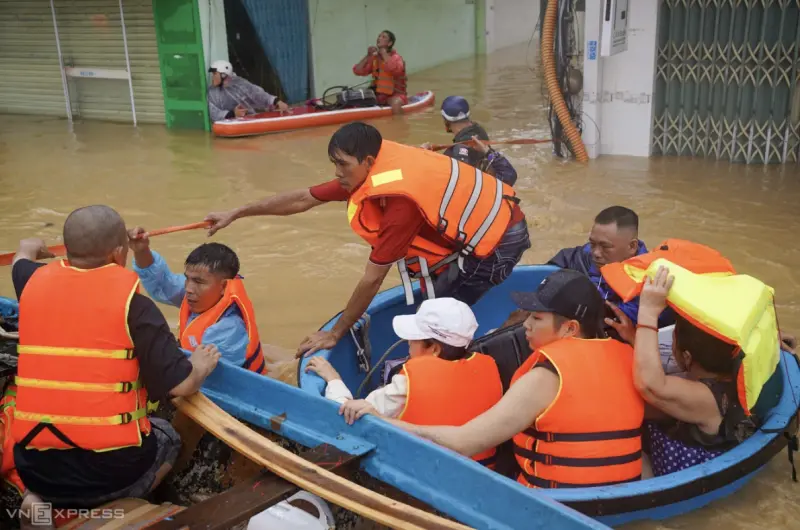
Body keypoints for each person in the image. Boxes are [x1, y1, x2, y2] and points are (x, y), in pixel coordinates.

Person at [205, 122, 530, 357]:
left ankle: (470, 356)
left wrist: (336, 333)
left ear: (369, 162)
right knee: (434, 301)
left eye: (342, 165)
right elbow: (303, 198)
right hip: (488, 222)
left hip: (500, 242)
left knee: (437, 317)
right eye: (334, 163)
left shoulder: (400, 204)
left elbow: (372, 279)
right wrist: (238, 212)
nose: (336, 173)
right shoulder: (374, 171)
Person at [9, 206, 220, 516]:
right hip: (109, 474)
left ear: (66, 250)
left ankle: (39, 503)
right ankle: (116, 507)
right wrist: (200, 365)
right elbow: (182, 385)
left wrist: (31, 246)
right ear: (119, 253)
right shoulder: (136, 308)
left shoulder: (30, 281)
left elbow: (20, 257)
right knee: (167, 435)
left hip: (35, 468)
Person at [351, 269, 646, 489]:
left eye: (536, 319)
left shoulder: (545, 377)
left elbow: (464, 443)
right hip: (620, 496)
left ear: (569, 329)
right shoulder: (628, 356)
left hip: (556, 505)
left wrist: (384, 420)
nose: (525, 325)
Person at [307, 298, 503, 467]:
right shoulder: (490, 366)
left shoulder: (407, 384)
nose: (408, 342)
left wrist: (333, 379)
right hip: (482, 468)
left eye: (413, 339)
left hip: (428, 471)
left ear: (434, 349)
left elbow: (350, 414)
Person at [614, 266, 764, 477]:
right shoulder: (737, 369)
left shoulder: (707, 398)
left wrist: (647, 313)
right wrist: (634, 338)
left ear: (686, 358)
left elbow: (650, 385)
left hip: (685, 481)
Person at [129, 230, 268, 375]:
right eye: (187, 278)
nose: (188, 288)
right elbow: (162, 283)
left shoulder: (228, 329)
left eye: (198, 281)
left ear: (224, 286)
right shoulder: (201, 292)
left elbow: (210, 382)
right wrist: (141, 251)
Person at [548, 206, 672, 328]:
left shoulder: (652, 285)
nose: (596, 253)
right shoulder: (577, 258)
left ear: (632, 247)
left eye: (605, 247)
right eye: (593, 243)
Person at [429, 96, 518, 186]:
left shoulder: (457, 151)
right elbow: (510, 176)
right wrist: (488, 152)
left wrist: (425, 156)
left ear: (446, 120)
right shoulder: (479, 132)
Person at [207, 60, 289, 122]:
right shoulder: (211, 92)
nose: (212, 77)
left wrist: (276, 101)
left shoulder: (239, 84)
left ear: (223, 75)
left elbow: (257, 93)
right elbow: (213, 112)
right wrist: (233, 114)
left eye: (214, 74)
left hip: (249, 120)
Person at [352, 31, 407, 114]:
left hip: (394, 95)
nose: (379, 38)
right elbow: (357, 71)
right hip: (377, 95)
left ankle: (399, 125)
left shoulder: (397, 58)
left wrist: (384, 53)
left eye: (383, 37)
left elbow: (395, 70)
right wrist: (368, 56)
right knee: (356, 99)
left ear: (389, 43)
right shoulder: (374, 58)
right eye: (379, 36)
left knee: (395, 104)